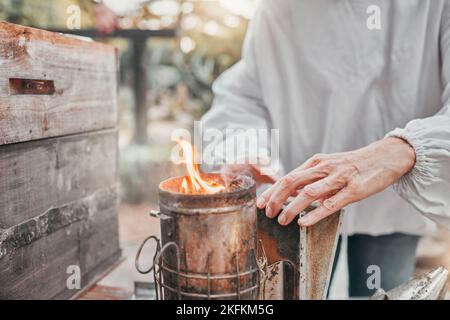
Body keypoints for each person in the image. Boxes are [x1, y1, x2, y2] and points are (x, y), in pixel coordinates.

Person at [201, 0, 450, 297]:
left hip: (393, 200)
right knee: (297, 291)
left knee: (380, 291)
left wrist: (405, 149)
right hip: (297, 202)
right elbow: (246, 96)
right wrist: (245, 148)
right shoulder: (277, 9)